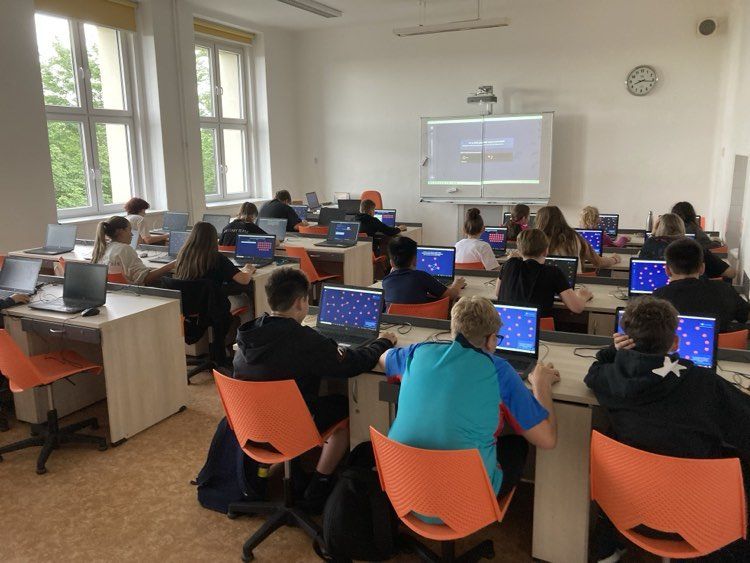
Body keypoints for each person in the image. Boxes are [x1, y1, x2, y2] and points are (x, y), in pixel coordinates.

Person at [585, 296, 750, 561]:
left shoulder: (610, 378)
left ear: (626, 338)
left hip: (627, 505)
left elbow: (594, 371)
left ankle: (607, 542)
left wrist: (614, 352)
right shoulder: (705, 383)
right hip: (699, 518)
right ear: (675, 343)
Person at [233, 267, 397, 511]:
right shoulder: (305, 340)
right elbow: (353, 364)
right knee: (345, 409)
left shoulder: (248, 334)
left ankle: (282, 472)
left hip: (252, 424)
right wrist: (383, 342)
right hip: (291, 427)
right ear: (300, 302)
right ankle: (319, 486)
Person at [383, 296, 558, 507]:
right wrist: (541, 385)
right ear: (491, 340)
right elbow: (547, 440)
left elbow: (384, 358)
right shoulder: (499, 370)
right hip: (466, 505)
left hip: (404, 492)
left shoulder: (417, 352)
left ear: (453, 330)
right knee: (517, 444)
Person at [174, 222, 256, 365]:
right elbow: (244, 280)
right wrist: (248, 269)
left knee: (220, 304)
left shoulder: (182, 256)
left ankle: (222, 346)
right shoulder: (216, 258)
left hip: (190, 308)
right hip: (211, 308)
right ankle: (246, 348)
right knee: (246, 301)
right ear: (213, 239)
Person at [653, 238, 748, 333]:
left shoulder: (657, 299)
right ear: (702, 269)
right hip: (723, 343)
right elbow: (745, 315)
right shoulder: (725, 290)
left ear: (667, 270)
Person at [496, 229, 592, 317]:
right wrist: (583, 296)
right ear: (546, 251)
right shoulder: (553, 272)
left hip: (508, 325)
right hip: (538, 328)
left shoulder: (509, 265)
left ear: (520, 251)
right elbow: (576, 308)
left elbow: (497, 293)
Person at [639, 213, 735, 280]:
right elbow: (731, 273)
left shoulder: (649, 244)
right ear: (682, 228)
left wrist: (653, 234)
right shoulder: (694, 247)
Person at [381, 235, 465, 308]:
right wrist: (457, 284)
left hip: (395, 320)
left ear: (391, 263)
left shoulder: (386, 281)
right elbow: (451, 295)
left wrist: (392, 273)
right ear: (415, 260)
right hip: (422, 318)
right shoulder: (421, 276)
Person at [91, 216, 176, 285]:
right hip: (131, 293)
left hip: (115, 293)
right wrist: (173, 264)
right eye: (129, 230)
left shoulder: (103, 247)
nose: (132, 234)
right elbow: (145, 278)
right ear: (121, 231)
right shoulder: (124, 249)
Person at [536, 205, 620, 272]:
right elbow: (598, 262)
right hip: (573, 285)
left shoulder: (535, 241)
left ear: (540, 222)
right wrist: (614, 259)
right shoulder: (575, 237)